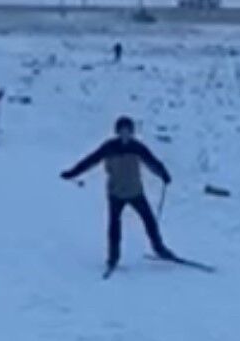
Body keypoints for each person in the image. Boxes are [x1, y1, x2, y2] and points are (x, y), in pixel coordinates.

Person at [60, 116, 175, 271]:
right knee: (114, 226)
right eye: (122, 131)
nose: (125, 134)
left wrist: (163, 174)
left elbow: (152, 162)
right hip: (116, 193)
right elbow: (90, 161)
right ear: (118, 132)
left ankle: (160, 249)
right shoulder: (109, 147)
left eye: (128, 131)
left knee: (149, 221)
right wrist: (72, 173)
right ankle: (113, 258)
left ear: (132, 132)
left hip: (135, 191)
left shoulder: (137, 148)